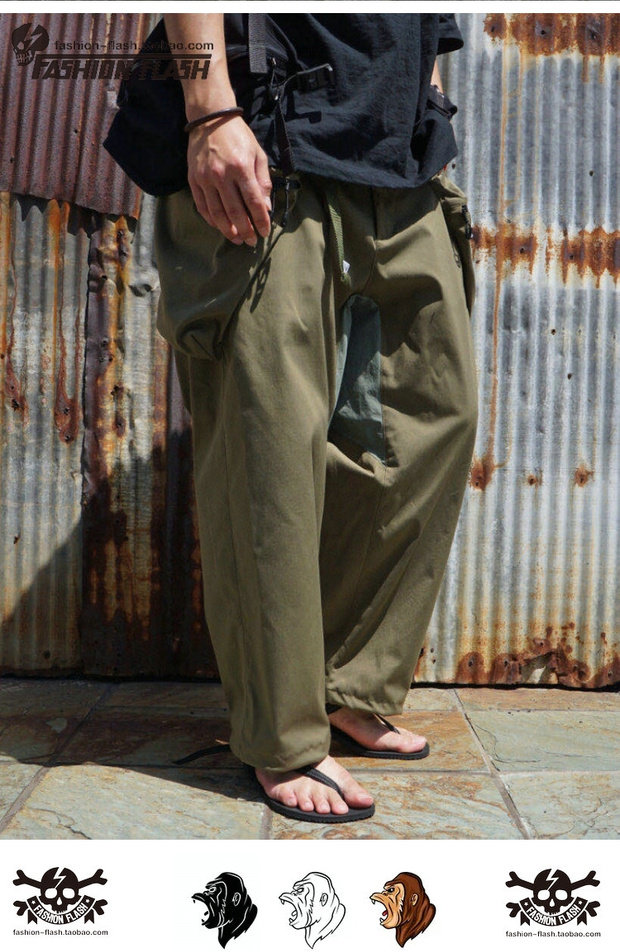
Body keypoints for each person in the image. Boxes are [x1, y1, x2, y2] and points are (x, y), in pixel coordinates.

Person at [154, 12, 478, 823]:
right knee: (270, 444)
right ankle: (282, 734)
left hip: (398, 155)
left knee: (433, 420)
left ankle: (347, 683)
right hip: (270, 139)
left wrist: (428, 103)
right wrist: (209, 112)